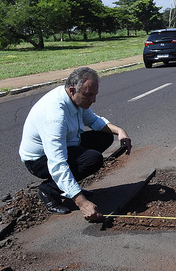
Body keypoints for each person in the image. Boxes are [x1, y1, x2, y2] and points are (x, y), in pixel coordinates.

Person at [19, 67, 132, 221]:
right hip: (39, 160)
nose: (94, 100)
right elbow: (57, 163)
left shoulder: (74, 98)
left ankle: (68, 187)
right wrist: (82, 203)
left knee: (105, 136)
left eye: (95, 95)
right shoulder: (54, 117)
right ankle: (49, 190)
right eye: (89, 95)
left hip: (67, 144)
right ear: (72, 90)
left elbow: (93, 121)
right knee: (93, 159)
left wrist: (119, 131)